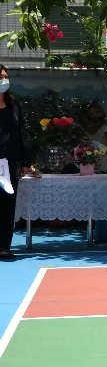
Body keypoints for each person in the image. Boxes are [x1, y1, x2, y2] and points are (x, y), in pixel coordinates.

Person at [0, 65, 31, 261]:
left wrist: (25, 159)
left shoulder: (14, 105)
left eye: (6, 77)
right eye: (1, 77)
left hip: (8, 163)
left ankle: (4, 247)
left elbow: (21, 132)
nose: (4, 80)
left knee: (7, 205)